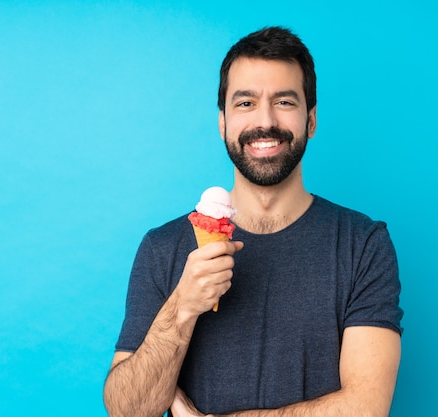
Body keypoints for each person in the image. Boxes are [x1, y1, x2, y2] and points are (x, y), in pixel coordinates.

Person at [103, 26, 403, 417]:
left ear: (311, 121)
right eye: (245, 103)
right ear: (222, 122)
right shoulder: (163, 248)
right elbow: (127, 411)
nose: (265, 121)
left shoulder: (362, 244)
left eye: (284, 102)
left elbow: (366, 408)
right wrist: (181, 307)